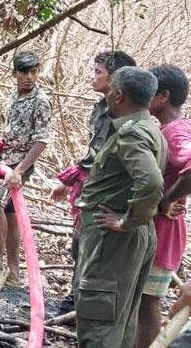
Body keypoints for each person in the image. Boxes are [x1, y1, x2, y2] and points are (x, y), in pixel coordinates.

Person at [73, 67, 166, 348]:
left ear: (119, 95)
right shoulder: (150, 128)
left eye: (111, 88)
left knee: (99, 327)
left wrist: (127, 221)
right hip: (132, 236)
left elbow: (150, 182)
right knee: (121, 322)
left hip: (112, 240)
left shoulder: (132, 135)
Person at [49, 51, 136, 313]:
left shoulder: (125, 120)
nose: (93, 77)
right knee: (80, 246)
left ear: (116, 79)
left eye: (98, 72)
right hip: (90, 191)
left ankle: (85, 306)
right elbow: (93, 155)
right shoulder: (100, 109)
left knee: (94, 251)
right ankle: (75, 299)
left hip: (107, 197)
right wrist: (69, 179)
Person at [0, 51, 52, 292]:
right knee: (10, 215)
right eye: (24, 72)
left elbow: (41, 141)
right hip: (4, 160)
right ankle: (14, 273)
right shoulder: (13, 95)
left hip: (20, 165)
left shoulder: (41, 100)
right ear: (14, 74)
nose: (29, 77)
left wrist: (19, 171)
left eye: (34, 72)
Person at [136, 65, 191, 348]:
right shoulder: (167, 129)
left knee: (147, 304)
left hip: (163, 231)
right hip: (157, 230)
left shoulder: (176, 132)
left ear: (164, 96)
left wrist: (168, 200)